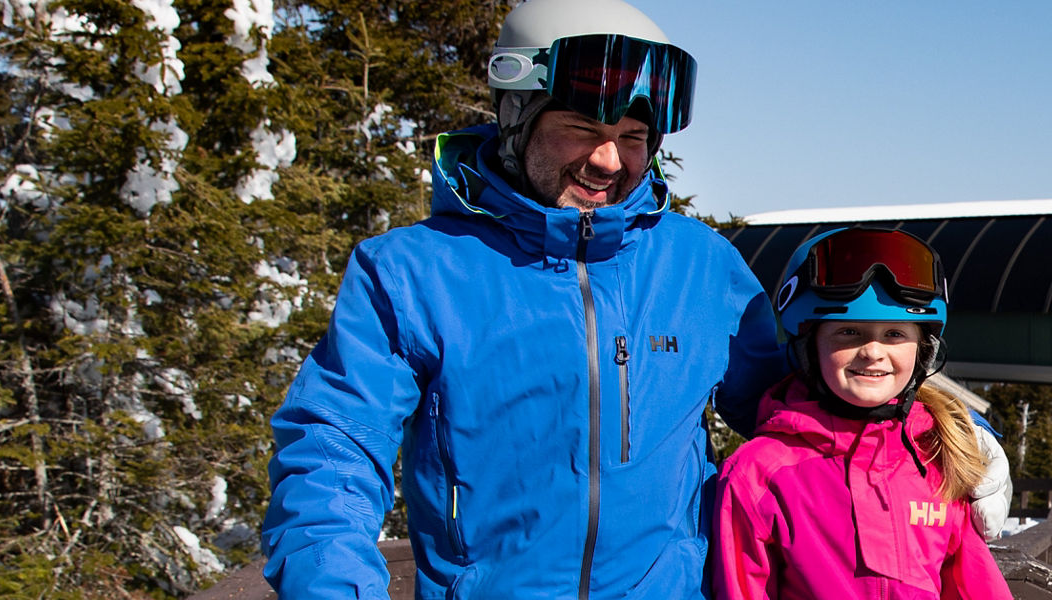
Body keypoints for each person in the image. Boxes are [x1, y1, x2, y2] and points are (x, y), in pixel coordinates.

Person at [256, 0, 785, 596]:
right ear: (516, 115)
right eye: (582, 129)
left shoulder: (699, 265)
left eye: (632, 137)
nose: (609, 160)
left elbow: (799, 416)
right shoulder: (411, 272)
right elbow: (335, 449)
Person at [711, 228, 1013, 599]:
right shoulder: (760, 474)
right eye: (849, 332)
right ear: (808, 345)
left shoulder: (936, 459)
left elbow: (975, 586)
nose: (872, 351)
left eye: (894, 334)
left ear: (923, 350)